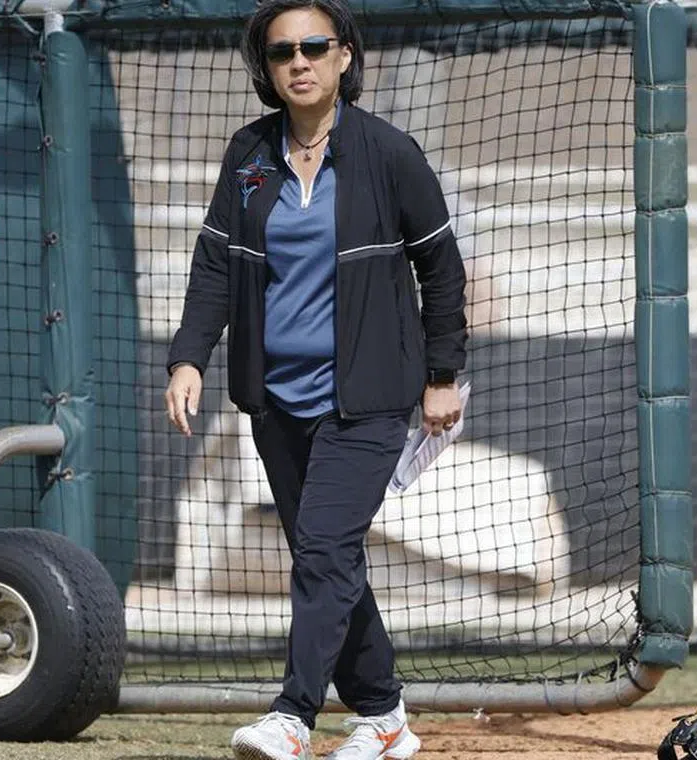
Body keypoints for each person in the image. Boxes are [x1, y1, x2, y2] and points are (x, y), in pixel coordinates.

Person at [163, 1, 468, 757]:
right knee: (324, 557)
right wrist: (188, 357)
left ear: (344, 58)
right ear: (265, 69)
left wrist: (442, 376)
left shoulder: (389, 153)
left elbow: (442, 269)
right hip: (275, 399)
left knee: (326, 552)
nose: (297, 62)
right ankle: (388, 717)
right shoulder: (249, 155)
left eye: (312, 47)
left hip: (368, 398)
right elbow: (212, 268)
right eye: (280, 53)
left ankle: (294, 716)